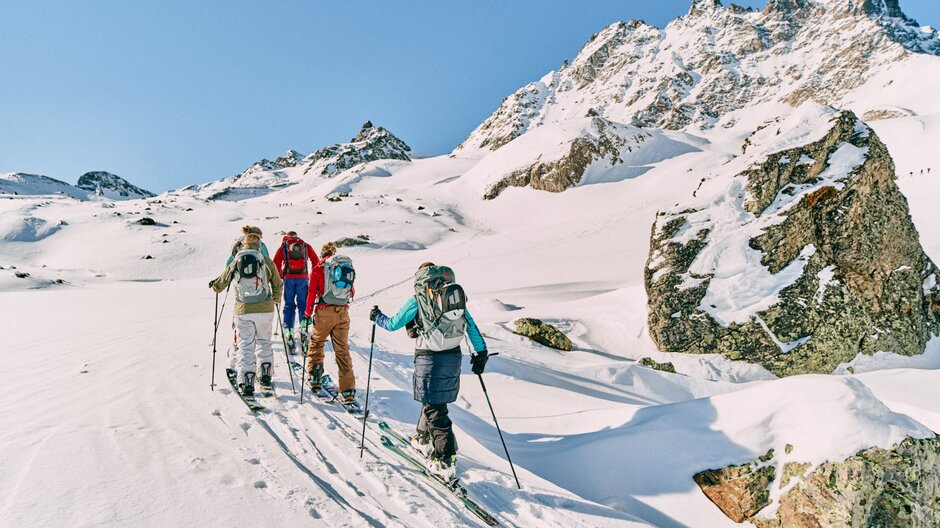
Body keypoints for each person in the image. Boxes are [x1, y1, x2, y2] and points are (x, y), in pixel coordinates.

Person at [369, 262, 488, 481]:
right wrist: (481, 353)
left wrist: (377, 317)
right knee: (432, 401)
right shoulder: (454, 297)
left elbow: (393, 324)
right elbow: (470, 326)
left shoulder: (419, 299)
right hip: (453, 356)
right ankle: (423, 438)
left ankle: (445, 458)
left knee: (435, 409)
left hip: (430, 357)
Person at [210, 230, 283, 396]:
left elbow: (221, 284)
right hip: (265, 309)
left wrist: (215, 286)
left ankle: (247, 380)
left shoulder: (236, 261)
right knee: (264, 342)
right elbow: (278, 283)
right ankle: (265, 375)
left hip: (243, 310)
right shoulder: (265, 261)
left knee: (246, 346)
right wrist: (275, 300)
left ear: (243, 244)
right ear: (259, 244)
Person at [304, 242, 357, 402]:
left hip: (324, 312)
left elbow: (311, 292)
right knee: (342, 350)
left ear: (322, 255)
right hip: (342, 312)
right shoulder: (344, 268)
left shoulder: (318, 269)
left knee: (317, 343)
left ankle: (315, 378)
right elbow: (351, 292)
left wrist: (307, 313)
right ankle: (347, 390)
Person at [272, 231, 318, 353]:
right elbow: (315, 260)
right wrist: (312, 275)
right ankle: (303, 330)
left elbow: (275, 264)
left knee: (289, 305)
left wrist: (280, 276)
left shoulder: (284, 247)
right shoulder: (305, 246)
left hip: (288, 279)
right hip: (303, 279)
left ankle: (288, 331)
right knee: (303, 304)